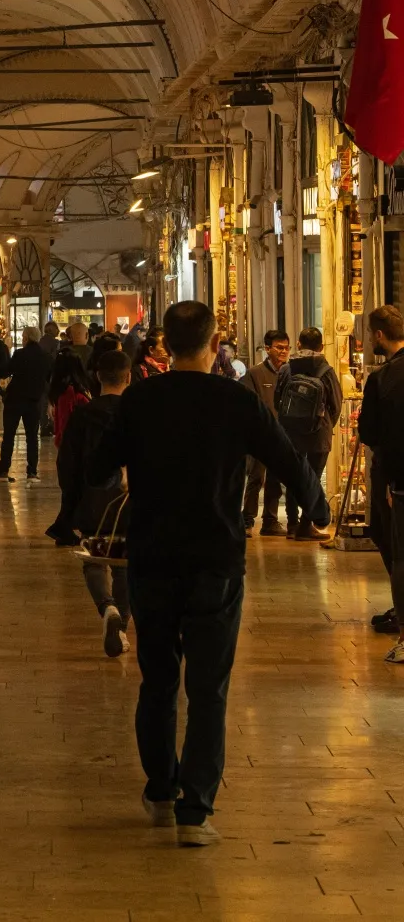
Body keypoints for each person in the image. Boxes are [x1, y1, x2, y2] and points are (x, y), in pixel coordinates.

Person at [89, 301, 325, 847]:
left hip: (153, 557)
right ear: (216, 343)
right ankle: (195, 811)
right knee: (209, 688)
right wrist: (316, 507)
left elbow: (98, 468)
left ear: (165, 345)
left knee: (158, 681)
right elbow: (287, 459)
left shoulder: (140, 399)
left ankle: (160, 791)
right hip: (216, 559)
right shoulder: (235, 400)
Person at [60, 350, 134, 657]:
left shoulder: (82, 416)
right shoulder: (136, 415)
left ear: (98, 377)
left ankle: (107, 608)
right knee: (125, 564)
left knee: (93, 559)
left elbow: (67, 463)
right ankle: (123, 628)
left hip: (92, 500)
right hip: (129, 501)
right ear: (128, 377)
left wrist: (71, 501)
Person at [358, 305, 404, 648]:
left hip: (394, 476)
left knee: (394, 544)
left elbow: (370, 432)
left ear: (378, 335)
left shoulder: (383, 378)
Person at [276, 327, 342, 541]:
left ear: (298, 344)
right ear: (321, 347)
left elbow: (278, 401)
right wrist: (324, 424)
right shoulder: (326, 370)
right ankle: (306, 525)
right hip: (318, 434)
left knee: (294, 475)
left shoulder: (286, 369)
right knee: (312, 478)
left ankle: (292, 524)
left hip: (290, 433)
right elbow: (336, 404)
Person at [240, 330, 290, 533]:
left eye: (286, 348)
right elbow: (247, 404)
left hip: (282, 435)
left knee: (275, 480)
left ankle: (270, 520)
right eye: (279, 348)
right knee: (256, 478)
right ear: (268, 349)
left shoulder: (289, 373)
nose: (283, 352)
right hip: (260, 435)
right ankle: (247, 519)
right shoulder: (255, 373)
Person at [0, 326, 53, 481]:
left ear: (27, 338)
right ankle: (32, 472)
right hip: (34, 401)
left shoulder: (20, 354)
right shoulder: (46, 356)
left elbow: (6, 371)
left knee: (9, 435)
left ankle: (3, 471)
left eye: (23, 337)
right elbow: (49, 378)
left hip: (14, 399)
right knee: (32, 437)